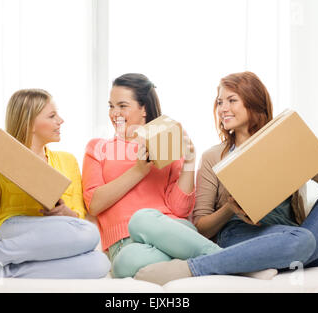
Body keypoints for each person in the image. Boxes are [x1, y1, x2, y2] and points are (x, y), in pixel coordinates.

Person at [134, 71, 318, 285]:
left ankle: (257, 262)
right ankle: (197, 268)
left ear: (253, 102)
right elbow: (201, 226)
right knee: (303, 241)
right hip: (241, 234)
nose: (223, 109)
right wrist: (230, 208)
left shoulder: (285, 142)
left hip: (290, 236)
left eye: (231, 100)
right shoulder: (213, 157)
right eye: (220, 102)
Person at [0, 89, 110, 279]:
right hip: (13, 227)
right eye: (52, 116)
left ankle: (3, 272)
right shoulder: (1, 158)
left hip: (54, 230)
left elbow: (77, 219)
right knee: (90, 233)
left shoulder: (68, 161)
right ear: (30, 123)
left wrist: (64, 212)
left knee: (100, 263)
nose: (61, 121)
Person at [82, 73, 224, 279]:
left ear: (144, 109)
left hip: (172, 229)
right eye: (111, 106)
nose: (114, 113)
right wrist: (139, 170)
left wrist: (189, 162)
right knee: (123, 264)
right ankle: (219, 259)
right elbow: (94, 204)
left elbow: (180, 209)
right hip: (125, 244)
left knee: (142, 218)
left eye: (122, 106)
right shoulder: (98, 147)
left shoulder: (164, 144)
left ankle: (220, 258)